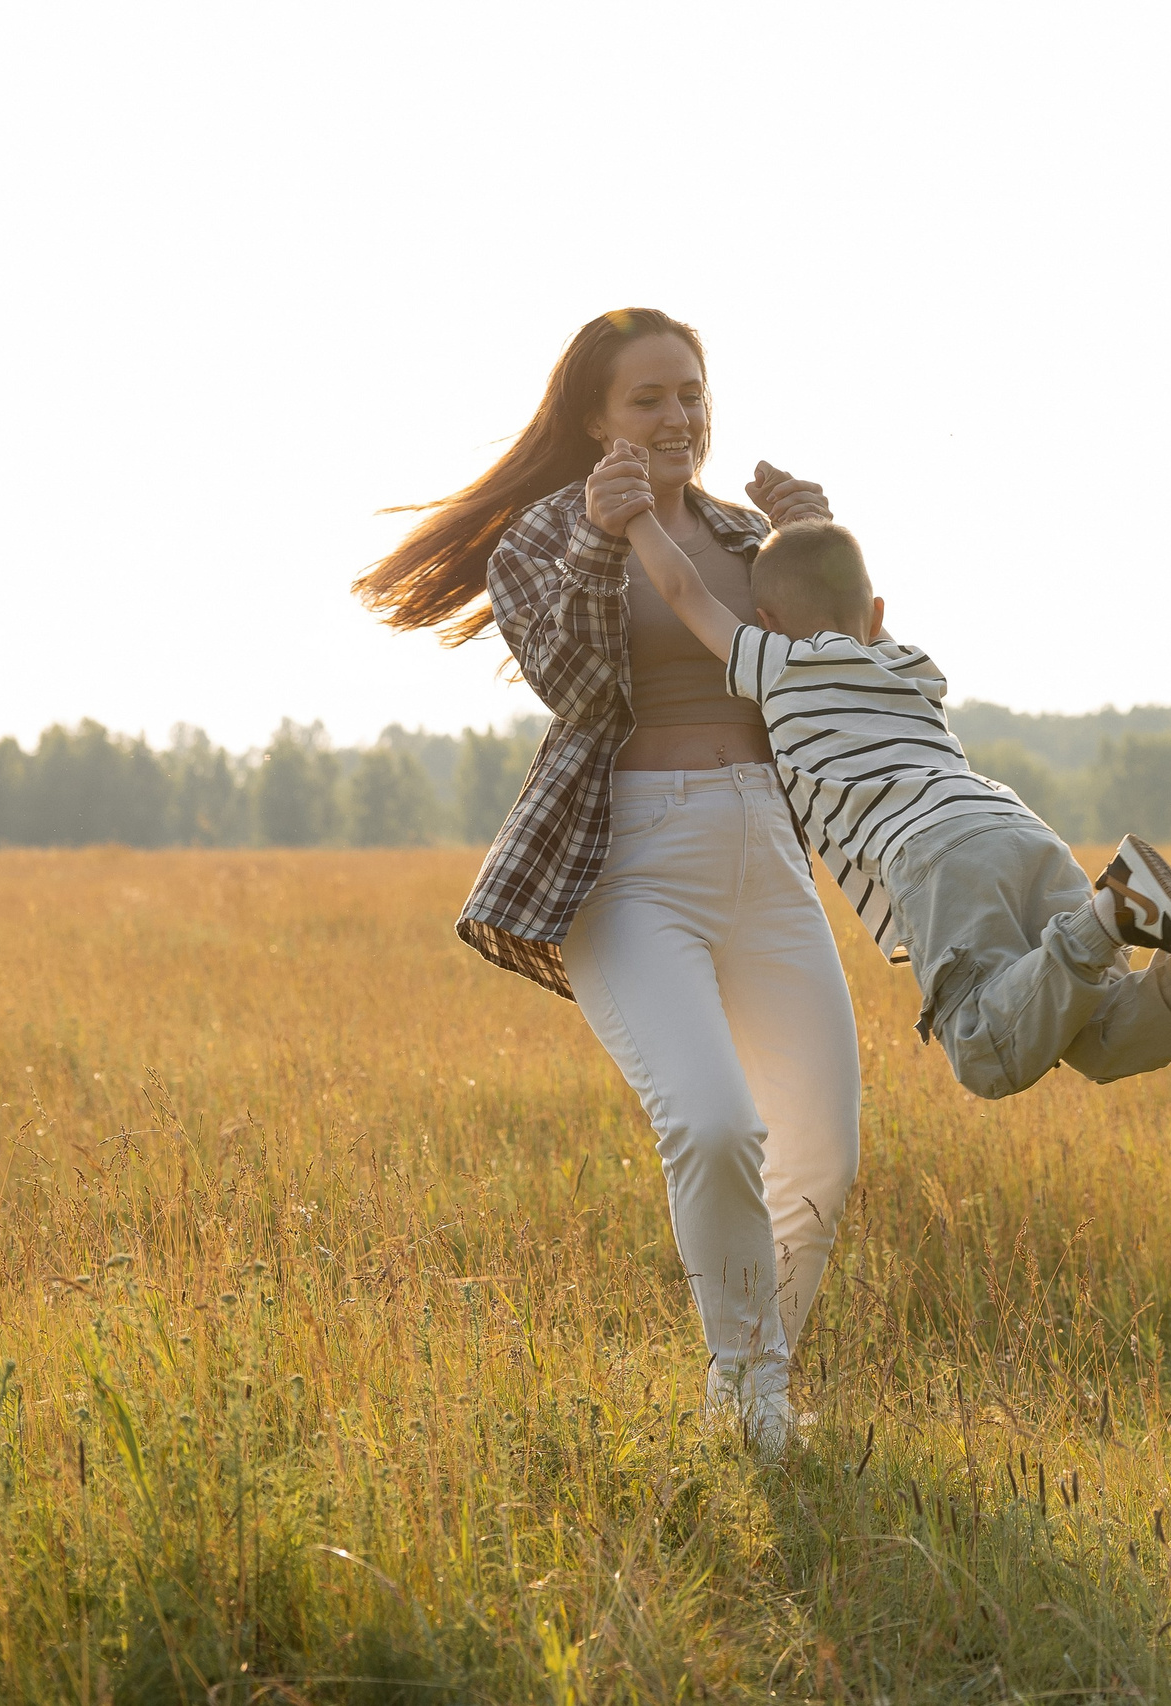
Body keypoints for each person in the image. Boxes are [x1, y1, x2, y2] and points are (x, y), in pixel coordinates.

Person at [353, 308, 860, 1454]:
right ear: (593, 416)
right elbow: (576, 685)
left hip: (767, 856)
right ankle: (755, 1401)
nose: (677, 415)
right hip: (631, 864)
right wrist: (603, 538)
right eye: (647, 398)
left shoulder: (748, 535)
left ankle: (752, 1380)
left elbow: (841, 685)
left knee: (823, 1149)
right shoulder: (540, 539)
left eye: (691, 391)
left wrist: (820, 545)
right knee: (718, 1124)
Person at [596, 450, 1171, 1096]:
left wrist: (636, 517)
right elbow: (845, 601)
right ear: (877, 611)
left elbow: (683, 592)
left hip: (933, 854)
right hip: (1013, 826)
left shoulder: (780, 663)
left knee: (987, 1054)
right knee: (1101, 1037)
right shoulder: (905, 665)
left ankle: (1116, 911)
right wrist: (801, 524)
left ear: (764, 622)